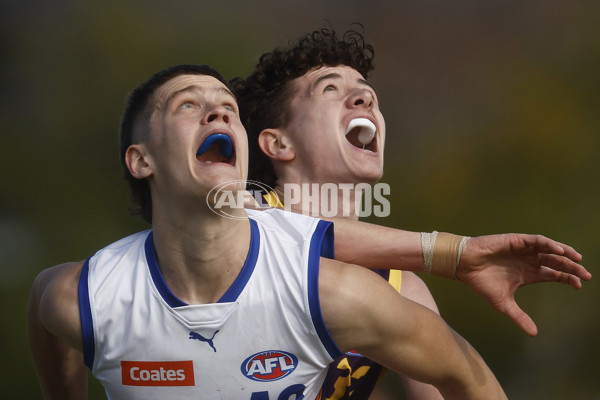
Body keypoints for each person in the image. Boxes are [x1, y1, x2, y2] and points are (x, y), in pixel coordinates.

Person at [28, 64, 510, 399]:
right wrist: (452, 252)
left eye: (228, 108)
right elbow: (44, 305)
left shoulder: (340, 291)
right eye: (187, 106)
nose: (218, 113)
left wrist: (453, 253)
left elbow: (468, 380)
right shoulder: (91, 299)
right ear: (141, 160)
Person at [231, 28, 591, 399]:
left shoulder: (403, 286)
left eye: (365, 88)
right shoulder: (237, 218)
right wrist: (454, 253)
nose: (365, 96)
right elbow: (297, 238)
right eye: (330, 89)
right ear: (278, 143)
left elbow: (458, 384)